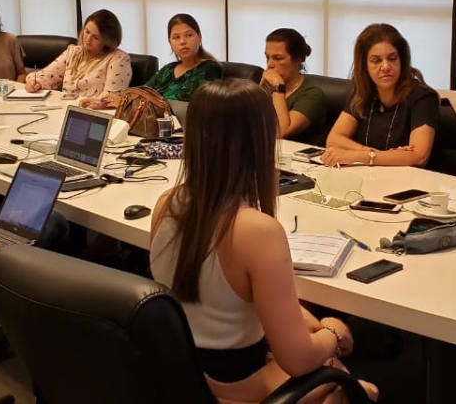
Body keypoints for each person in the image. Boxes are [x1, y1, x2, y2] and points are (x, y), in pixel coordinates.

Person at [149, 78, 378, 403]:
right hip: (234, 385)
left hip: (183, 376)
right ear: (259, 142)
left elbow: (222, 300)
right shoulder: (256, 231)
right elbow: (298, 360)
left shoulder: (166, 204)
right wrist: (333, 331)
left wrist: (304, 320)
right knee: (358, 388)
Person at [322, 23, 438, 167]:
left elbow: (419, 157)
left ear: (402, 60)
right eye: (376, 60)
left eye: (392, 58)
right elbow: (333, 139)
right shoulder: (364, 93)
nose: (385, 67)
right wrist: (378, 154)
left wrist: (358, 156)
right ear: (365, 66)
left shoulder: (423, 97)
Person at [24, 9, 132, 104]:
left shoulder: (118, 59)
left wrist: (95, 102)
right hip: (64, 108)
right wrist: (35, 82)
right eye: (87, 32)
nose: (88, 39)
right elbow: (46, 75)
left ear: (107, 41)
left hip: (93, 113)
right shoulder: (73, 52)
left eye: (95, 37)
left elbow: (112, 98)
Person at [262, 28, 327, 145]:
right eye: (267, 58)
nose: (270, 64)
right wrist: (259, 91)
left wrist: (278, 87)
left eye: (278, 58)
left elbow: (280, 132)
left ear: (297, 60)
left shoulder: (312, 94)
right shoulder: (267, 86)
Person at [144, 13, 223, 102]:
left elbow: (198, 104)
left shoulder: (209, 68)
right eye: (176, 37)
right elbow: (141, 93)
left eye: (189, 35)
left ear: (199, 37)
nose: (182, 41)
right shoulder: (168, 70)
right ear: (170, 42)